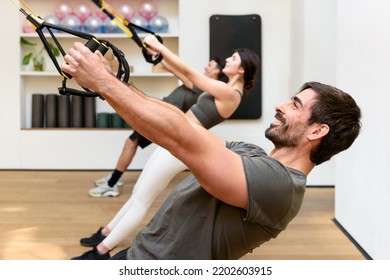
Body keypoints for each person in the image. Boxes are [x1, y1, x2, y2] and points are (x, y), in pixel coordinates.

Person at [61, 36, 361, 259]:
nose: (280, 105)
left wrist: (103, 81)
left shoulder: (280, 187)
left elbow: (180, 135)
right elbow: (182, 122)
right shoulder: (250, 153)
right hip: (137, 254)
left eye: (295, 105)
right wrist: (110, 82)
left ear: (318, 130)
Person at [71, 35, 260, 259]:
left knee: (141, 200)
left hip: (183, 147)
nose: (228, 59)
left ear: (242, 70)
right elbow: (185, 76)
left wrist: (161, 46)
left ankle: (100, 252)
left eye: (234, 58)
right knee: (138, 194)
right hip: (175, 141)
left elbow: (191, 74)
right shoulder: (221, 89)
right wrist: (160, 55)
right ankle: (106, 233)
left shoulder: (230, 94)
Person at [89, 57, 224, 197]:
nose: (206, 67)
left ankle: (112, 184)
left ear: (216, 70)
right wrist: (158, 56)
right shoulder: (202, 84)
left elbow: (177, 72)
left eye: (210, 65)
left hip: (162, 119)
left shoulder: (204, 87)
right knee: (131, 142)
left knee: (131, 142)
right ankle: (114, 178)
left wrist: (161, 56)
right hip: (158, 113)